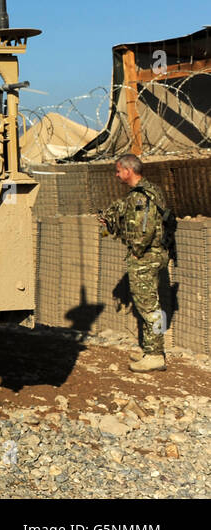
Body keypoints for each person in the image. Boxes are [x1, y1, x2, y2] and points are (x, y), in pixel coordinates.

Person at [99, 154, 171, 372]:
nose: (117, 175)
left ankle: (156, 355)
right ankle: (151, 349)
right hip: (156, 254)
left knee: (149, 307)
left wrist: (137, 252)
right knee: (151, 305)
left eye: (118, 170)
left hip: (146, 257)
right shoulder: (151, 190)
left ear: (128, 171)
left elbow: (143, 228)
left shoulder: (140, 196)